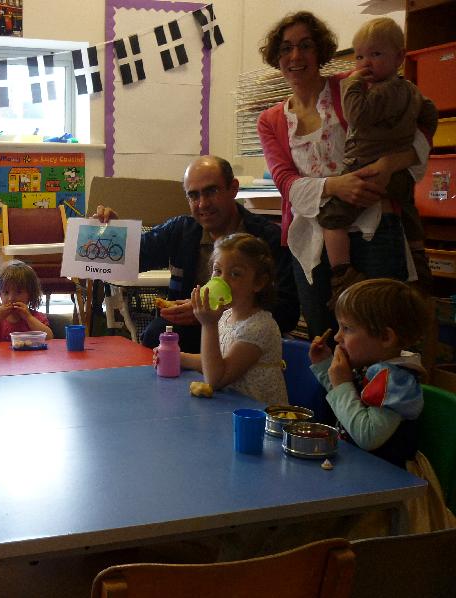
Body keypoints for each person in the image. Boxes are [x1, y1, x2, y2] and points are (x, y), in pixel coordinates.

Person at [257, 11, 432, 340]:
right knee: (324, 335)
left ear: (320, 50)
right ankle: (335, 394)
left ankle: (386, 393)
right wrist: (338, 186)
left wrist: (390, 165)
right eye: (286, 48)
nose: (295, 56)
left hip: (373, 226)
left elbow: (418, 114)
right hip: (310, 238)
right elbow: (284, 181)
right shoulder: (270, 120)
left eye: (305, 45)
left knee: (381, 333)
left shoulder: (354, 85)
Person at [94, 155, 299, 353]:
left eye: (211, 191)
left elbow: (287, 311)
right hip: (189, 332)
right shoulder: (181, 230)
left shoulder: (267, 238)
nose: (202, 204)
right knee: (156, 335)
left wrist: (214, 311)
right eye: (193, 195)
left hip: (243, 334)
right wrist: (112, 233)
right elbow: (132, 258)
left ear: (233, 189)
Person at [309, 279, 456, 531]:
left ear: (386, 337)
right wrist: (326, 368)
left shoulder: (397, 380)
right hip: (359, 473)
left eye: (348, 328)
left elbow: (368, 435)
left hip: (389, 491)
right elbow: (349, 406)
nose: (337, 336)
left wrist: (342, 383)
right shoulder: (370, 367)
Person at [316, 18, 438, 307]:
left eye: (376, 54)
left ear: (399, 57)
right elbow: (430, 113)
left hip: (366, 167)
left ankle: (341, 275)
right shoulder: (411, 91)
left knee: (331, 218)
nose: (365, 63)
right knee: (408, 214)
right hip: (399, 176)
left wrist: (352, 84)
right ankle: (419, 264)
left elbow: (357, 115)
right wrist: (408, 144)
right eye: (359, 56)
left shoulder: (383, 90)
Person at [167, 234, 287, 405]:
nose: (223, 280)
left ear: (259, 283)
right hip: (229, 408)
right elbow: (215, 362)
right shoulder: (226, 314)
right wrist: (177, 356)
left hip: (259, 419)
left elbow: (216, 379)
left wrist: (208, 325)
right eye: (218, 271)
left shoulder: (259, 327)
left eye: (235, 274)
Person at [0, 260, 53, 343]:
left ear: (30, 294)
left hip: (29, 355)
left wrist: (29, 318)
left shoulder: (37, 317)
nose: (11, 298)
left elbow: (49, 338)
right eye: (6, 292)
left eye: (19, 292)